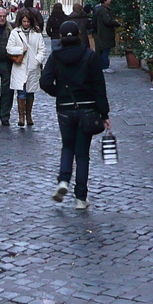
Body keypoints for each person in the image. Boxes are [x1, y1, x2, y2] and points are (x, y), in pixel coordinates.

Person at [40, 20, 111, 210]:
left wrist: (59, 93)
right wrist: (104, 113)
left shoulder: (56, 56)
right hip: (87, 108)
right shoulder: (90, 56)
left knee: (67, 146)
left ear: (62, 36)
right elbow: (99, 87)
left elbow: (45, 81)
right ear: (78, 34)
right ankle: (80, 198)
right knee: (82, 153)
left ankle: (63, 181)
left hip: (64, 108)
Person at [6, 9, 49, 127]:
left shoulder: (36, 33)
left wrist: (37, 61)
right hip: (20, 67)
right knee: (21, 92)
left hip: (32, 67)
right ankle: (21, 116)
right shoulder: (15, 33)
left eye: (27, 21)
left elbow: (42, 50)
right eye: (24, 21)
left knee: (30, 92)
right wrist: (21, 50)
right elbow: (9, 48)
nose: (26, 24)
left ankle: (29, 115)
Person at [91, 0, 121, 73]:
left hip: (101, 33)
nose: (110, 1)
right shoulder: (104, 10)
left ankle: (102, 66)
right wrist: (116, 23)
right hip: (105, 33)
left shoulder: (98, 9)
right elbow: (107, 21)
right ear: (105, 1)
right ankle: (105, 66)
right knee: (105, 50)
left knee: (102, 50)